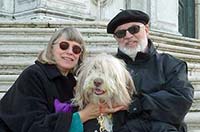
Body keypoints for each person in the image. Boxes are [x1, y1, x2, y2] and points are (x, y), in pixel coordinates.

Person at [0, 27, 121, 132]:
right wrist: (83, 115)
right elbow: (33, 126)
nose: (69, 52)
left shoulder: (73, 82)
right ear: (51, 48)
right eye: (64, 46)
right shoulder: (33, 75)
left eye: (76, 49)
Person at [107, 9, 194, 132]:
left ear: (146, 30)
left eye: (134, 29)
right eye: (121, 33)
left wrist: (135, 104)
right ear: (116, 38)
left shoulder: (171, 65)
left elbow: (180, 101)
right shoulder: (107, 69)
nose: (128, 36)